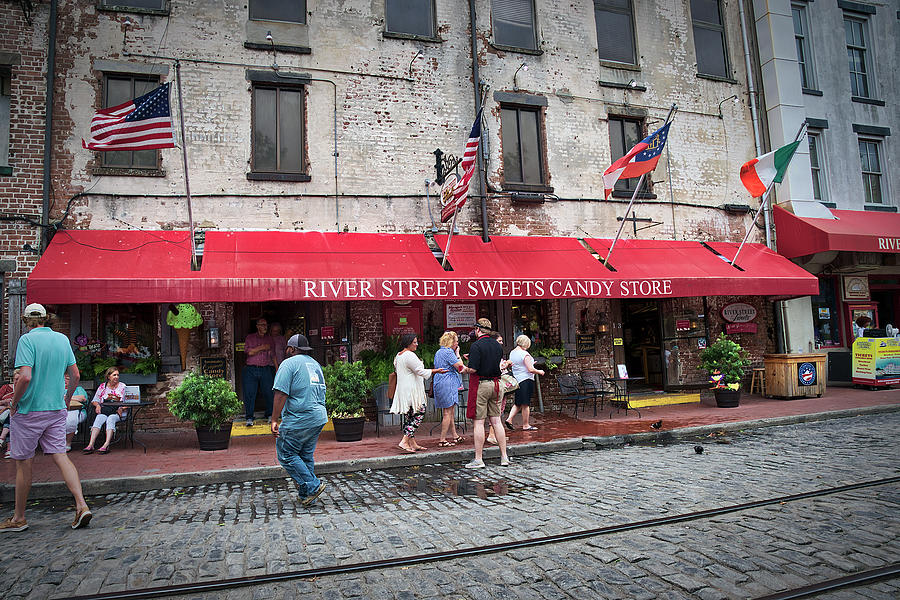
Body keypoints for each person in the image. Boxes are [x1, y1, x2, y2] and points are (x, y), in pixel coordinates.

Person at [1, 303, 91, 532]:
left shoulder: (27, 340)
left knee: (23, 462)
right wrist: (66, 397)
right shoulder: (62, 340)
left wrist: (13, 403)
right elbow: (76, 374)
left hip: (29, 410)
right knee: (61, 456)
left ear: (26, 321)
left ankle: (19, 517)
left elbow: (25, 377)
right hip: (56, 408)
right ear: (46, 318)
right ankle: (81, 505)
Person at [271, 334, 329, 507]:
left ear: (292, 349)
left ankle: (313, 486)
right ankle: (306, 495)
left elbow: (281, 393)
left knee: (286, 453)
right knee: (304, 456)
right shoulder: (315, 364)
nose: (286, 351)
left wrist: (274, 419)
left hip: (300, 417)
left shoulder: (288, 363)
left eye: (287, 348)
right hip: (318, 416)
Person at [464, 318, 510, 468]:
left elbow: (473, 369)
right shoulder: (497, 345)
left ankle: (479, 459)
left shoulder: (476, 346)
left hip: (482, 385)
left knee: (479, 422)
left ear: (478, 329)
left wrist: (465, 367)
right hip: (497, 384)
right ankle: (504, 457)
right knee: (496, 421)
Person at [391, 332, 446, 453]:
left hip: (403, 390)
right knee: (419, 412)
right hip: (412, 391)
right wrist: (436, 370)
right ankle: (404, 441)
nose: (416, 344)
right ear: (409, 343)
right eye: (414, 342)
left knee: (410, 416)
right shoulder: (409, 355)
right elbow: (420, 370)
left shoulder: (398, 356)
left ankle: (412, 443)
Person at [82, 367, 127, 455]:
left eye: (118, 375)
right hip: (105, 410)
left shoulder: (123, 386)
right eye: (114, 375)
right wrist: (98, 405)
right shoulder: (103, 386)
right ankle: (91, 444)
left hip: (118, 412)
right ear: (108, 376)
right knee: (99, 418)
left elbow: (129, 401)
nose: (116, 377)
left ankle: (106, 445)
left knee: (110, 419)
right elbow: (94, 400)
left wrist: (121, 408)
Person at [433, 331, 465, 447]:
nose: (457, 343)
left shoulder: (439, 352)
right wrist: (458, 354)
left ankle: (455, 435)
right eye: (456, 341)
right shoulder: (449, 352)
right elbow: (460, 367)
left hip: (439, 381)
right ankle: (442, 439)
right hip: (448, 382)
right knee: (448, 412)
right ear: (451, 342)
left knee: (449, 411)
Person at [505, 334, 544, 431]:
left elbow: (517, 365)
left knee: (518, 402)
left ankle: (509, 419)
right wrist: (539, 371)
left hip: (517, 380)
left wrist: (530, 363)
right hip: (526, 380)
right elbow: (530, 369)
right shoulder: (524, 354)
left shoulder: (512, 353)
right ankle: (526, 425)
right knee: (526, 404)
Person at [243, 317, 275, 426]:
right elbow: (249, 352)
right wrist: (262, 347)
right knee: (250, 393)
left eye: (266, 325)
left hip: (265, 368)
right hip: (251, 369)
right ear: (257, 326)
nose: (265, 327)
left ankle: (270, 414)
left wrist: (277, 368)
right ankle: (249, 417)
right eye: (262, 325)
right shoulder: (250, 338)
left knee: (269, 392)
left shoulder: (269, 339)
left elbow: (273, 354)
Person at [486, 334, 511, 446]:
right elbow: (497, 368)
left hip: (499, 385)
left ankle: (497, 434)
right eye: (499, 341)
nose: (501, 343)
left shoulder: (495, 353)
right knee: (496, 410)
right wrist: (506, 365)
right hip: (497, 385)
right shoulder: (493, 355)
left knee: (499, 410)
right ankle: (491, 435)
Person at [63, 373, 89, 452]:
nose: (65, 381)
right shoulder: (57, 389)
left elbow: (82, 398)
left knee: (71, 418)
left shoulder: (78, 389)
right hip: (61, 411)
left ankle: (68, 442)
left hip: (77, 411)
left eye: (67, 379)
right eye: (63, 379)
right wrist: (73, 398)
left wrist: (66, 397)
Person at [0, 370, 18, 458]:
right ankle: (9, 448)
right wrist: (4, 401)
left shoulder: (24, 389)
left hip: (14, 413)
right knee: (11, 416)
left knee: (12, 417)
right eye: (16, 379)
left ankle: (2, 439)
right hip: (3, 411)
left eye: (19, 379)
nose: (17, 381)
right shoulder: (5, 387)